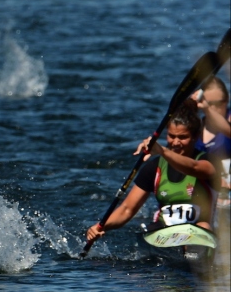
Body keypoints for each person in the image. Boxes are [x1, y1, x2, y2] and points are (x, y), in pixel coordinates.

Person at [86, 100, 218, 246]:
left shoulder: (208, 161)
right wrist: (100, 226)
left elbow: (193, 168)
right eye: (171, 136)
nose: (175, 142)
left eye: (182, 137)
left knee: (204, 227)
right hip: (163, 233)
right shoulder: (154, 167)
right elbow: (127, 209)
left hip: (198, 233)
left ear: (196, 136)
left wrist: (162, 150)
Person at [194, 77, 230, 208]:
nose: (214, 108)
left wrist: (207, 109)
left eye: (219, 103)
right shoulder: (194, 128)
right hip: (206, 190)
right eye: (209, 103)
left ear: (227, 101)